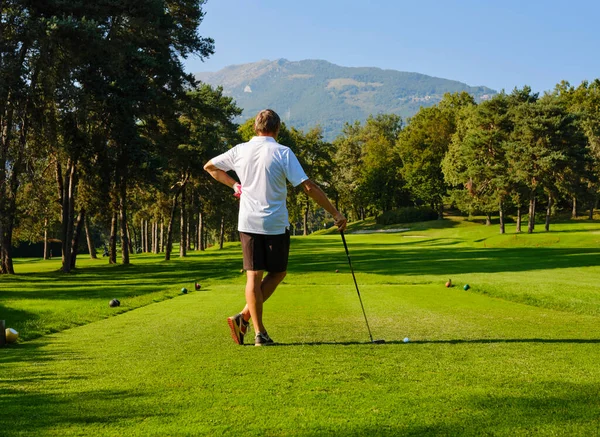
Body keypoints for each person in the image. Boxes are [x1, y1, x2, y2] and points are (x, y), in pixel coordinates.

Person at [204, 109, 347, 346]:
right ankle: (258, 332)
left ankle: (246, 320)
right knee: (277, 273)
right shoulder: (283, 152)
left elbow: (210, 166)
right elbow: (308, 187)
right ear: (278, 129)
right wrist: (335, 213)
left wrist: (234, 185)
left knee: (254, 275)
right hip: (275, 224)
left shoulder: (240, 150)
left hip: (248, 222)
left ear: (255, 127)